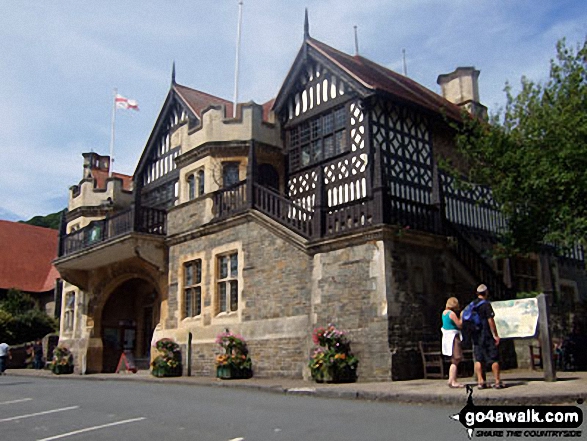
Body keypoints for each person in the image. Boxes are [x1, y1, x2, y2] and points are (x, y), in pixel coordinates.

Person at [469, 284, 503, 389]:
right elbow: (490, 320)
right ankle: (497, 381)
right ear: (486, 293)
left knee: (478, 359)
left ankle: (481, 381)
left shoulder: (472, 305)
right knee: (494, 358)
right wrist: (495, 335)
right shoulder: (486, 305)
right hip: (486, 334)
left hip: (476, 336)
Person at [441, 297, 464, 388]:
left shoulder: (444, 313)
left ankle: (450, 379)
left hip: (447, 337)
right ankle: (453, 380)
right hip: (453, 337)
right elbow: (459, 324)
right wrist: (462, 317)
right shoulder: (451, 314)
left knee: (453, 360)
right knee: (456, 359)